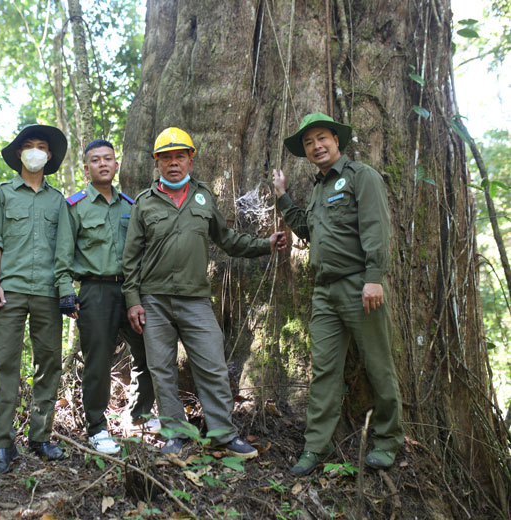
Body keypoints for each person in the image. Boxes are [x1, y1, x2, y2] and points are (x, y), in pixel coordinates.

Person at [122, 127, 287, 458]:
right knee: (162, 369)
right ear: (156, 163)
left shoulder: (203, 197)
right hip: (155, 301)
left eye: (179, 156)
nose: (173, 163)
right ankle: (175, 434)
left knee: (212, 364)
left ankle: (222, 434)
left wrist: (264, 246)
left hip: (196, 299)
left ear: (190, 161)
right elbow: (130, 259)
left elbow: (227, 239)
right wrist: (133, 301)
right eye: (165, 157)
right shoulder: (144, 203)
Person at [272, 112, 404, 476]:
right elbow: (307, 230)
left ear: (336, 140)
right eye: (309, 142)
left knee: (378, 364)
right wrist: (283, 198)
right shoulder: (317, 189)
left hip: (360, 285)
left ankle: (389, 441)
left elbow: (376, 226)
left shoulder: (362, 177)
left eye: (322, 138)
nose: (316, 146)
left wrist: (374, 277)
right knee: (325, 371)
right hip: (325, 292)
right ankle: (316, 446)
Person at [54, 139, 158, 455]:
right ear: (86, 168)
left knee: (149, 348)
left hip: (130, 290)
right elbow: (62, 253)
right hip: (95, 290)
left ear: (116, 165)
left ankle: (139, 413)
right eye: (95, 160)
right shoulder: (74, 206)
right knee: (98, 362)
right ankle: (97, 428)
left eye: (108, 159)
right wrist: (65, 293)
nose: (103, 164)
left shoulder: (130, 205)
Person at [0, 124, 70, 473]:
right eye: (28, 145)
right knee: (4, 365)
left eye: (41, 147)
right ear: (19, 153)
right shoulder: (1, 194)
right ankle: (1, 445)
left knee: (48, 364)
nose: (35, 151)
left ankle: (40, 437)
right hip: (10, 290)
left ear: (49, 156)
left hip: (48, 294)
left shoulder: (58, 200)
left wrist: (66, 291)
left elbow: (63, 249)